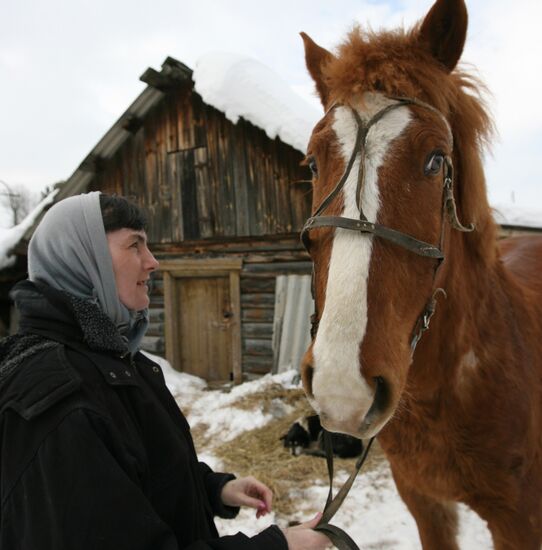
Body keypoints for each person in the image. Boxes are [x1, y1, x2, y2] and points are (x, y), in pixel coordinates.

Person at [0, 192, 330, 550]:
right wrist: (275, 547)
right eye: (135, 245)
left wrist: (215, 489)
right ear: (83, 258)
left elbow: (137, 476)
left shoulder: (114, 359)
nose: (153, 261)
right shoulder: (59, 401)